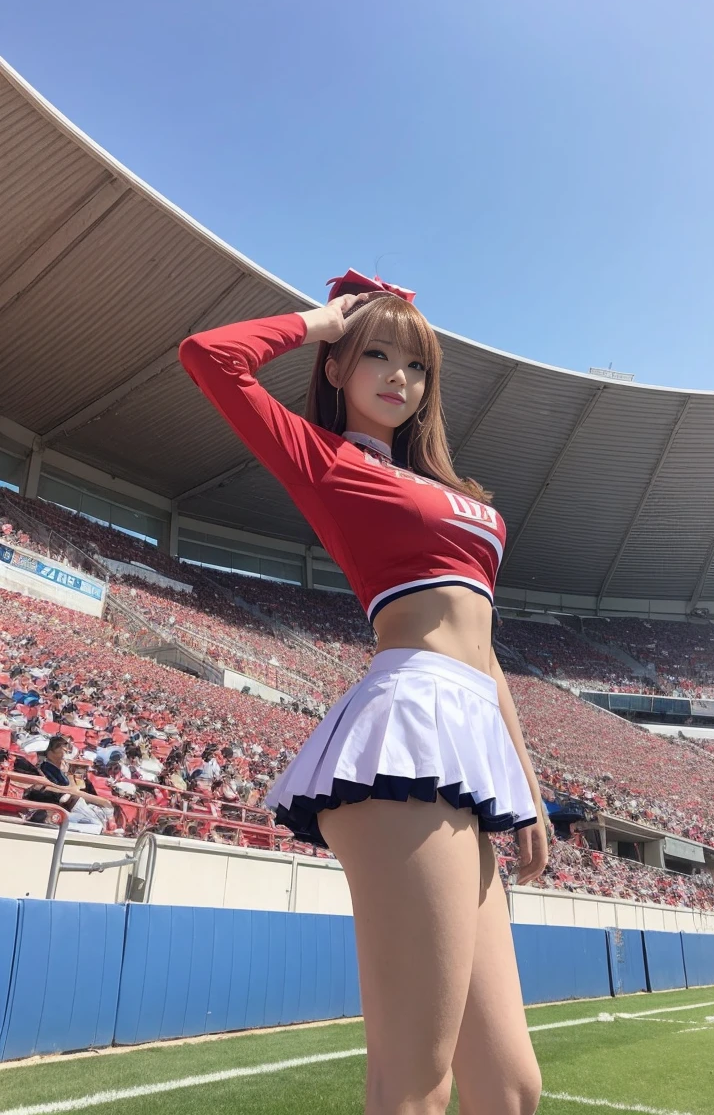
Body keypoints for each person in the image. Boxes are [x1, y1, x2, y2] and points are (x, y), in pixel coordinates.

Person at [179, 271, 547, 1115]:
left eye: (413, 365)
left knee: (512, 1088)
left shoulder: (456, 490)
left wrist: (524, 784)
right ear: (338, 366)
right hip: (407, 733)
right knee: (416, 1081)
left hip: (474, 742)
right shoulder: (327, 457)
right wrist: (319, 321)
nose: (396, 376)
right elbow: (208, 357)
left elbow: (486, 655)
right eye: (373, 355)